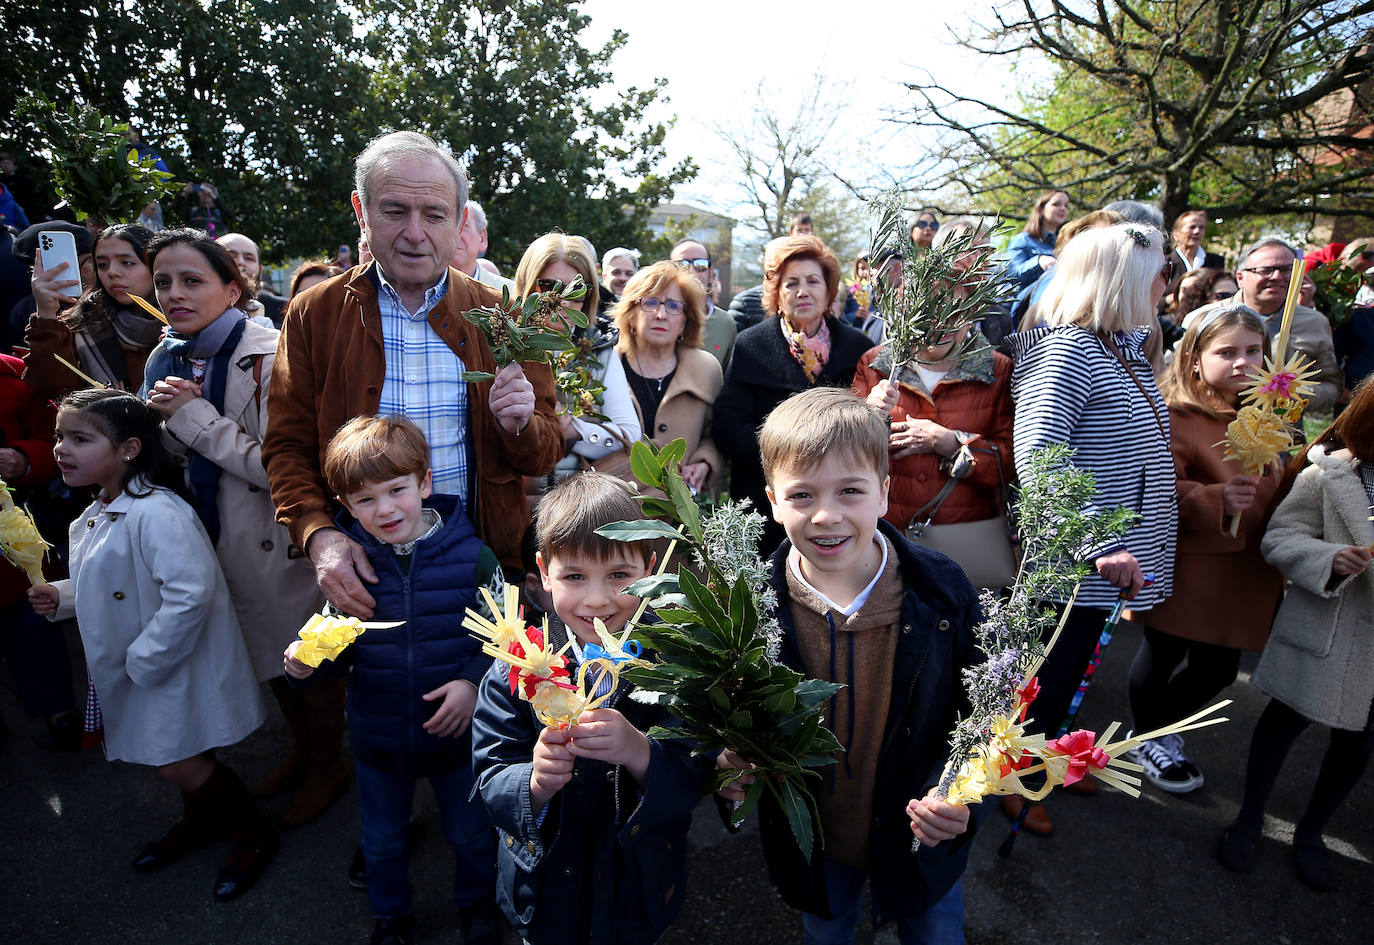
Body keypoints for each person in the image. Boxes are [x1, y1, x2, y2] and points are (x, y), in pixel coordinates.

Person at [262, 130, 563, 616]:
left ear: (461, 222)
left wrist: (521, 425)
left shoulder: (507, 318)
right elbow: (287, 446)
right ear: (362, 212)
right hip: (362, 576)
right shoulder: (314, 313)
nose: (415, 232)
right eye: (395, 211)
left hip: (480, 574)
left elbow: (544, 452)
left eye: (435, 214)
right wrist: (320, 537)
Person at [720, 387, 980, 945]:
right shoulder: (744, 608)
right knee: (825, 930)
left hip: (920, 840)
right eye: (802, 494)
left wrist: (957, 794)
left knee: (933, 931)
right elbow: (723, 717)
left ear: (884, 493)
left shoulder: (944, 592)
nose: (826, 515)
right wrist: (725, 766)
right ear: (770, 499)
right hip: (815, 843)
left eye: (851, 491)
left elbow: (982, 715)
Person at [28, 389, 274, 900]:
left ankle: (253, 834)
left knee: (176, 759)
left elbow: (190, 594)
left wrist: (142, 660)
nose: (61, 449)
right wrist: (65, 597)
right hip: (151, 659)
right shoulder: (99, 509)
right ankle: (202, 820)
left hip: (168, 660)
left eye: (79, 438)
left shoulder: (157, 512)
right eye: (59, 437)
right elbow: (114, 581)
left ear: (130, 449)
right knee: (182, 751)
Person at [471, 472, 716, 945]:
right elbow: (489, 779)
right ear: (543, 572)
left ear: (649, 567)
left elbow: (696, 773)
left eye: (620, 576)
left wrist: (640, 751)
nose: (598, 600)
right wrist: (534, 782)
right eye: (574, 576)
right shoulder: (515, 664)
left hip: (636, 890)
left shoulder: (676, 665)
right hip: (544, 894)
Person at [137, 229, 332, 826]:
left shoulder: (272, 352)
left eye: (192, 280)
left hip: (272, 540)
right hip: (206, 538)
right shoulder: (165, 354)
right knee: (265, 659)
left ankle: (329, 767)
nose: (174, 294)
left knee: (308, 666)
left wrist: (194, 419)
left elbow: (283, 466)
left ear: (233, 287)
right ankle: (302, 755)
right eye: (164, 281)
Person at [285, 415, 503, 945]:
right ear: (344, 505)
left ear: (425, 482)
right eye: (362, 500)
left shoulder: (474, 558)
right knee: (382, 841)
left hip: (459, 741)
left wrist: (472, 682)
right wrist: (305, 664)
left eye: (396, 490)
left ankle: (477, 906)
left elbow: (509, 639)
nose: (383, 510)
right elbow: (333, 645)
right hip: (379, 739)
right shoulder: (349, 568)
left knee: (472, 834)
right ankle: (390, 916)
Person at [1006, 223, 1178, 836]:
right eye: (1160, 269)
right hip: (1074, 565)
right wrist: (1098, 544)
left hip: (1111, 568)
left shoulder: (1124, 350)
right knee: (1045, 683)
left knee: (1072, 674)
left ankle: (1042, 763)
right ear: (1125, 278)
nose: (1168, 281)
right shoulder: (1069, 351)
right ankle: (1015, 779)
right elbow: (1040, 459)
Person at [1217, 378, 1374, 892]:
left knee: (1357, 745)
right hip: (1332, 628)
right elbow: (1281, 536)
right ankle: (1249, 816)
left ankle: (1312, 832)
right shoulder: (1331, 475)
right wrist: (1329, 559)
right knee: (1286, 720)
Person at [1123, 304, 1283, 793]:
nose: (1243, 362)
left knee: (1218, 669)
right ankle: (1149, 734)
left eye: (1253, 351)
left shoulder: (1271, 415)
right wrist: (1214, 498)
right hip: (1193, 561)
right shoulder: (1177, 415)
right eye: (1226, 352)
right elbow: (1158, 486)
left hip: (1246, 566)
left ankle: (1157, 729)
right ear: (1194, 359)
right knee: (1165, 648)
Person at [852, 236, 1015, 589]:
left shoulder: (998, 371)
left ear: (971, 311)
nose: (940, 324)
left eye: (952, 311)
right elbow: (848, 457)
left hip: (965, 546)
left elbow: (1011, 462)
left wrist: (951, 443)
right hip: (888, 541)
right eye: (930, 311)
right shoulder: (876, 365)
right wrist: (868, 416)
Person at [714, 234, 875, 554]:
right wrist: (790, 451)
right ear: (776, 292)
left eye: (813, 281)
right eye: (791, 283)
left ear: (829, 289)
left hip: (840, 510)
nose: (803, 291)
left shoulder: (858, 348)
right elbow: (727, 426)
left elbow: (875, 429)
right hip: (767, 506)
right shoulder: (751, 345)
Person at [513, 233, 640, 497]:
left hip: (577, 509)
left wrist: (574, 430)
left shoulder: (599, 348)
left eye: (577, 290)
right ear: (528, 284)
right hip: (508, 503)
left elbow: (630, 435)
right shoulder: (500, 346)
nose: (563, 301)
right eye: (551, 287)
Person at [0, 353, 79, 750]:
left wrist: (23, 458)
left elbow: (60, 438)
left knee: (32, 619)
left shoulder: (13, 372)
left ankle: (58, 710)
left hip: (17, 531)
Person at [1185, 239, 1343, 413]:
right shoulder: (1202, 319)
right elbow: (1175, 373)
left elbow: (1332, 386)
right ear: (1240, 277)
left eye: (1286, 269)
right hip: (1207, 424)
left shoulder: (1314, 323)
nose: (1277, 277)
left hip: (1277, 433)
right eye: (1265, 270)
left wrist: (1294, 395)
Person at [612, 261, 723, 495]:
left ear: (685, 321)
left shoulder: (706, 368)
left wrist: (704, 462)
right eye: (650, 303)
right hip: (612, 508)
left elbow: (716, 435)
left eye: (674, 306)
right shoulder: (607, 365)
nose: (661, 314)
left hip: (680, 510)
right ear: (630, 314)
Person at [23, 223, 161, 400]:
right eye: (102, 264)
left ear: (155, 265)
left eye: (127, 263)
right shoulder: (79, 323)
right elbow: (53, 388)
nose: (112, 272)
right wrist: (46, 313)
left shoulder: (181, 322)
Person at [670, 238, 737, 369]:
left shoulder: (726, 324)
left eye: (700, 265)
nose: (691, 271)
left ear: (711, 274)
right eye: (681, 265)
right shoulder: (657, 318)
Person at [217, 233, 288, 326]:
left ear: (260, 272)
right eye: (231, 256)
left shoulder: (269, 325)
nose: (241, 262)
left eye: (249, 258)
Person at [1006, 189, 1070, 289]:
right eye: (1056, 204)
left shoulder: (1067, 244)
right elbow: (1011, 275)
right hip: (1029, 300)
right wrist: (1038, 262)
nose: (1063, 208)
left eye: (1066, 205)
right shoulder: (1022, 239)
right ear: (1041, 209)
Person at [451, 199, 513, 292]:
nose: (454, 234)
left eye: (463, 226)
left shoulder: (512, 295)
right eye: (446, 226)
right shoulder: (422, 295)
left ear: (483, 238)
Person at [1168, 210, 1225, 290]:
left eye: (1201, 227)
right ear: (1176, 234)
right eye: (1192, 227)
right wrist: (1169, 299)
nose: (1197, 231)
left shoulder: (1216, 262)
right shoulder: (1164, 263)